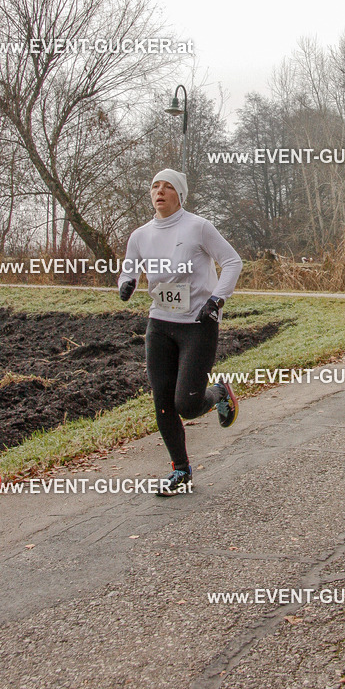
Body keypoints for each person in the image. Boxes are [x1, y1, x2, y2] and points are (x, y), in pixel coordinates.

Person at [118, 169, 243, 495]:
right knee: (162, 401)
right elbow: (129, 266)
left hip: (198, 324)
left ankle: (218, 393)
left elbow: (232, 261)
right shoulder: (140, 234)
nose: (160, 191)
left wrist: (217, 299)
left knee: (186, 404)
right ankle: (180, 470)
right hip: (159, 324)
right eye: (155, 186)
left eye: (168, 186)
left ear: (180, 194)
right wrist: (127, 283)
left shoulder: (198, 227)